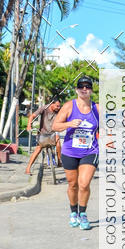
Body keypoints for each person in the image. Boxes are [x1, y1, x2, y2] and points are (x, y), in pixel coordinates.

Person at [52, 76, 99, 230]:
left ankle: (83, 214)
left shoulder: (97, 108)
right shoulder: (68, 106)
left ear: (91, 89)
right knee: (73, 185)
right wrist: (69, 124)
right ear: (76, 89)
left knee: (84, 184)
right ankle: (74, 212)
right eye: (81, 86)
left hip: (90, 151)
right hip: (70, 151)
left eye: (87, 86)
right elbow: (55, 126)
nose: (84, 89)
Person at [25, 95, 62, 174]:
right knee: (38, 149)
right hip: (43, 133)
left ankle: (59, 161)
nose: (58, 108)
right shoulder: (44, 108)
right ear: (52, 103)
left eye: (59, 106)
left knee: (58, 143)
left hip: (53, 132)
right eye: (57, 106)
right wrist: (29, 125)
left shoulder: (59, 111)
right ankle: (28, 168)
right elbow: (32, 116)